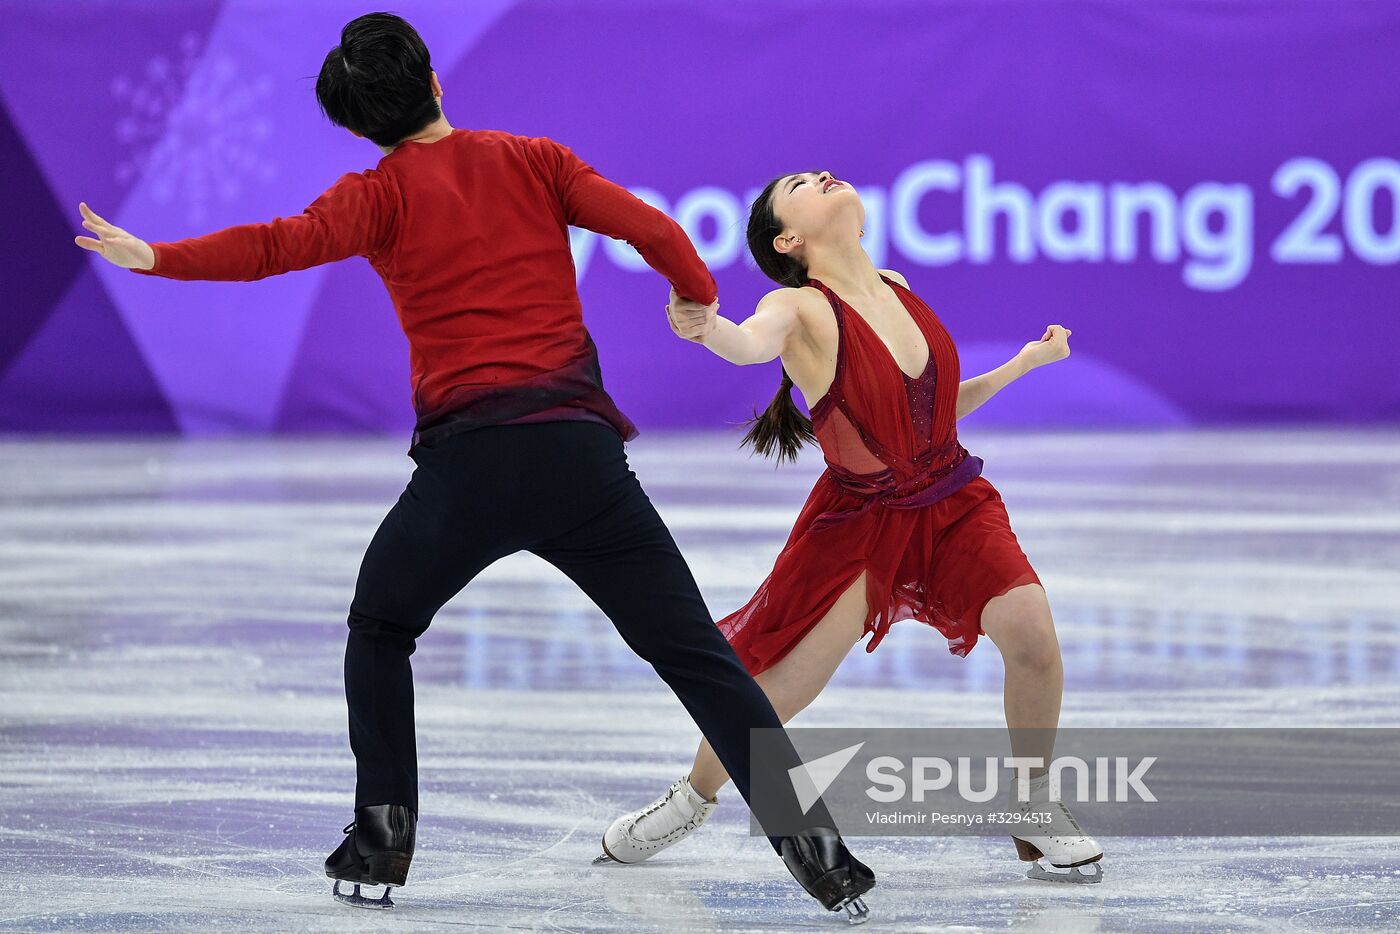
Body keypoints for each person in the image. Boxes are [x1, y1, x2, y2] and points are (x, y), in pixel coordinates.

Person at [72, 15, 875, 919]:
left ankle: (380, 844)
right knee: (696, 657)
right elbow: (653, 229)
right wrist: (696, 293)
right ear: (438, 86)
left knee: (380, 627)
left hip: (469, 470)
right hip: (581, 461)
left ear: (359, 128)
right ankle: (820, 853)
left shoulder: (372, 196)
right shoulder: (533, 159)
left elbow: (270, 248)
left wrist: (154, 256)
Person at [598, 169, 1104, 884]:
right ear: (790, 239)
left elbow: (932, 413)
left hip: (955, 501)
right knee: (776, 692)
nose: (823, 175)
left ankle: (1032, 804)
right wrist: (705, 326)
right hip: (859, 524)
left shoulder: (895, 285)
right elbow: (747, 344)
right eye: (801, 184)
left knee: (1032, 635)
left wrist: (1023, 364)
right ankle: (692, 798)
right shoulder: (796, 308)